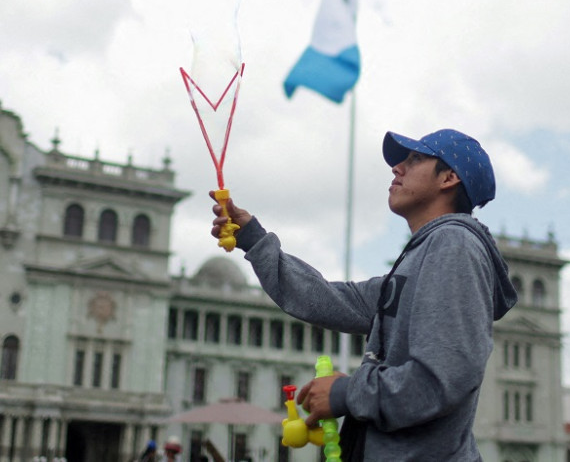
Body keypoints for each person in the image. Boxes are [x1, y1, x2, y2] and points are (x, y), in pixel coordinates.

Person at [210, 128, 518, 462]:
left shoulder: (453, 245)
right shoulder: (421, 258)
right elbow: (327, 299)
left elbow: (439, 380)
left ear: (449, 178)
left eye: (414, 159)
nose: (397, 168)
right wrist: (255, 240)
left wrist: (345, 393)